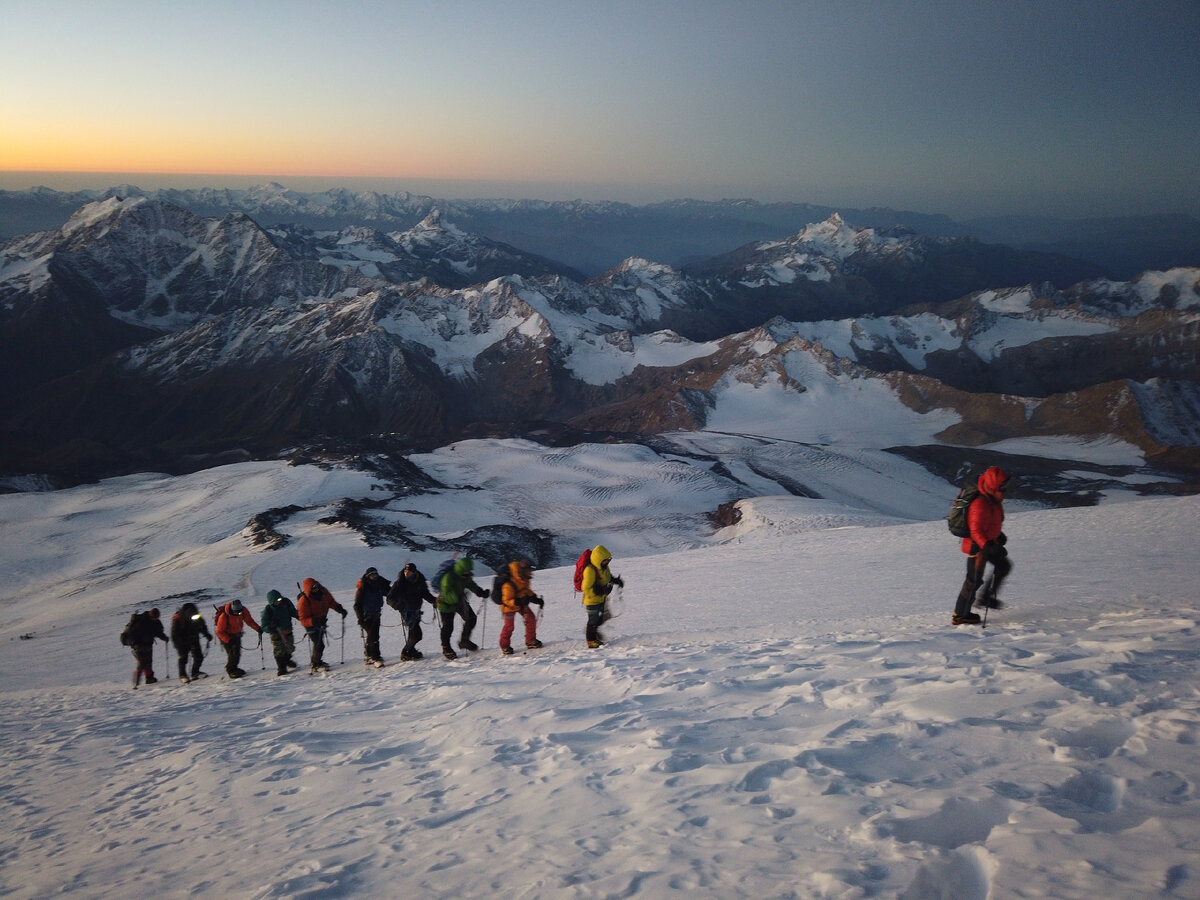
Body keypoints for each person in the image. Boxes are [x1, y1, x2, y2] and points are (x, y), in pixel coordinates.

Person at [952, 466, 1014, 626]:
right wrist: (988, 545)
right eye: (1003, 485)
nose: (1006, 488)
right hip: (977, 547)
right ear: (995, 485)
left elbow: (991, 523)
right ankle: (960, 615)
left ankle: (986, 597)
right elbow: (975, 530)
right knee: (973, 581)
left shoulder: (993, 499)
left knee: (1003, 566)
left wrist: (998, 536)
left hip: (988, 543)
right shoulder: (980, 503)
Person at [436, 557, 489, 660]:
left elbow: (470, 584)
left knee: (471, 618)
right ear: (461, 569)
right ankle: (446, 648)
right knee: (448, 627)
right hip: (446, 604)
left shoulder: (465, 576)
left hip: (459, 601)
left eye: (469, 571)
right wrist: (459, 596)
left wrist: (480, 592)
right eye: (466, 571)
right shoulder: (449, 577)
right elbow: (446, 593)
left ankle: (464, 641)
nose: (468, 573)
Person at [386, 562, 437, 660]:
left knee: (414, 633)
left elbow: (425, 593)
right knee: (417, 634)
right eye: (405, 571)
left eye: (408, 572)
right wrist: (397, 605)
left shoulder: (420, 581)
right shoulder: (399, 583)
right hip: (406, 611)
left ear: (414, 572)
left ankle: (411, 651)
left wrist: (433, 601)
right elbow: (389, 598)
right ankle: (405, 652)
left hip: (416, 610)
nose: (406, 573)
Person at [297, 577, 347, 672]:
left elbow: (331, 602)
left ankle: (315, 662)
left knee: (319, 643)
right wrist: (314, 621)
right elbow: (303, 619)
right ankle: (316, 664)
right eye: (313, 587)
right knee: (319, 644)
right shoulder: (304, 601)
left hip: (322, 622)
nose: (316, 588)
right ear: (308, 589)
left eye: (316, 586)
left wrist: (339, 609)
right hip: (311, 625)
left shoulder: (323, 592)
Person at [498, 558, 544, 655]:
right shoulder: (509, 583)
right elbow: (506, 600)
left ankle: (530, 641)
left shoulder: (525, 579)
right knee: (509, 626)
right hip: (509, 606)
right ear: (524, 570)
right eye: (529, 571)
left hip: (521, 603)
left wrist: (535, 599)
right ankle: (505, 646)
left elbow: (526, 590)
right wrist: (519, 601)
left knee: (531, 619)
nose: (531, 573)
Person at [580, 545, 623, 649]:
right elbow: (585, 587)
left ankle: (595, 635)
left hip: (601, 599)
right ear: (598, 559)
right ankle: (591, 641)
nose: (607, 562)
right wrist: (598, 591)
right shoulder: (590, 570)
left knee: (599, 619)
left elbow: (607, 577)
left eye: (608, 560)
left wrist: (615, 580)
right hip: (591, 601)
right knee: (593, 621)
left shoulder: (604, 568)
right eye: (605, 560)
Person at [215, 599, 263, 679]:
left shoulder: (243, 610)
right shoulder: (224, 616)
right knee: (232, 653)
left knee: (237, 653)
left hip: (237, 634)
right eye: (236, 613)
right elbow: (220, 632)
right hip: (226, 636)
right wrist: (229, 640)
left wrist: (258, 628)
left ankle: (235, 668)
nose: (238, 614)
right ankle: (231, 671)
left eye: (239, 612)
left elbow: (249, 621)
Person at [353, 567, 392, 668]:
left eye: (375, 574)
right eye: (372, 575)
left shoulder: (378, 584)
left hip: (376, 614)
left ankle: (369, 655)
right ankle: (375, 657)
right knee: (373, 636)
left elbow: (389, 593)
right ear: (367, 576)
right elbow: (357, 604)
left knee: (373, 635)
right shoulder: (363, 587)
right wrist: (360, 618)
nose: (374, 576)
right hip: (366, 616)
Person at [123, 607, 169, 688]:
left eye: (156, 617)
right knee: (141, 663)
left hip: (148, 645)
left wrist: (164, 638)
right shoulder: (141, 622)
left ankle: (149, 679)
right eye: (154, 617)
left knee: (148, 662)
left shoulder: (155, 622)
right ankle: (136, 683)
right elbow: (132, 634)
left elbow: (158, 632)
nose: (155, 619)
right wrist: (134, 644)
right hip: (138, 646)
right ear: (151, 615)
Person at [170, 601, 212, 683]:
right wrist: (178, 645)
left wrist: (207, 635)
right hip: (182, 641)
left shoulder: (197, 615)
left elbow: (202, 626)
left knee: (199, 657)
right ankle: (182, 675)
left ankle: (195, 673)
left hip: (194, 638)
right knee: (183, 658)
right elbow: (174, 635)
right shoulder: (178, 619)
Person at [261, 589, 300, 676]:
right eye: (276, 600)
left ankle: (287, 660)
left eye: (280, 599)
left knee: (290, 648)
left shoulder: (286, 603)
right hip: (276, 633)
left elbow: (293, 612)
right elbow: (264, 626)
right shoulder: (268, 610)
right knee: (279, 651)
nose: (279, 602)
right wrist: (271, 627)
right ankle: (281, 668)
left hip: (287, 630)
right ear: (271, 601)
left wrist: (299, 616)